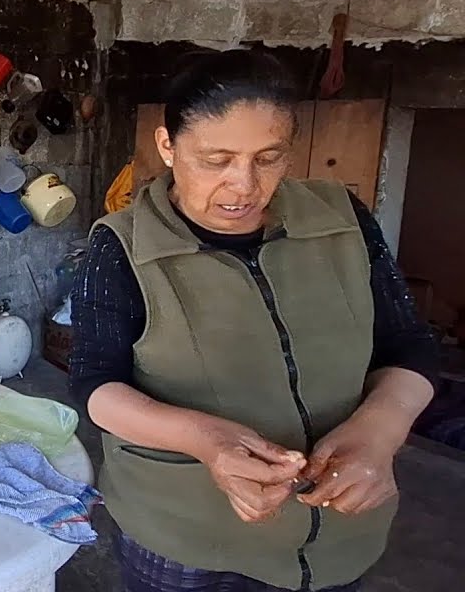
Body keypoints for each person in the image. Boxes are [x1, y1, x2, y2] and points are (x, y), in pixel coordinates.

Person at [69, 50, 438, 592]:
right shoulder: (122, 245)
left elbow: (409, 344)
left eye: (268, 158)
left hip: (339, 534)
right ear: (168, 147)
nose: (243, 186)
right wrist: (207, 440)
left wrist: (380, 431)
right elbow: (97, 385)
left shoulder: (342, 220)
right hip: (185, 539)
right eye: (215, 160)